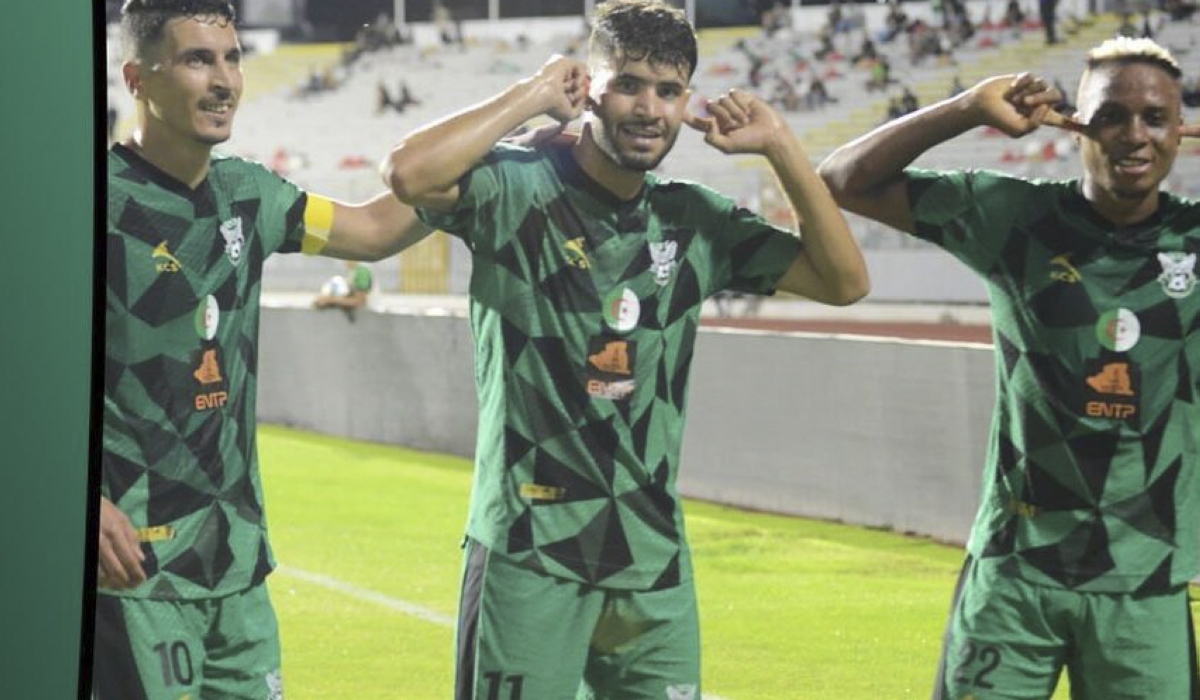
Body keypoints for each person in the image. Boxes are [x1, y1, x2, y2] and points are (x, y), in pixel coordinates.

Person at [384, 1, 869, 697]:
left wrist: (782, 146)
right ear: (592, 89)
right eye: (630, 85)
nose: (650, 109)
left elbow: (845, 281)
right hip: (530, 547)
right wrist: (532, 94)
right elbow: (407, 174)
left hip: (650, 560)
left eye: (669, 91)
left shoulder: (695, 219)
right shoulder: (515, 188)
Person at [818, 36, 1200, 698]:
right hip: (1015, 572)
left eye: (1155, 117)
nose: (1133, 135)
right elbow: (842, 179)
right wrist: (968, 107)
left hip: (1145, 583)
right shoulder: (1013, 216)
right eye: (1111, 114)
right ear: (1077, 121)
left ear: (1181, 131)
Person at [97, 1, 429, 698]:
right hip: (134, 579)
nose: (224, 81)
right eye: (196, 59)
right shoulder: (89, 207)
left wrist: (507, 139)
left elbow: (373, 229)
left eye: (232, 58)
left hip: (237, 570)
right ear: (136, 77)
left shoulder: (252, 196)